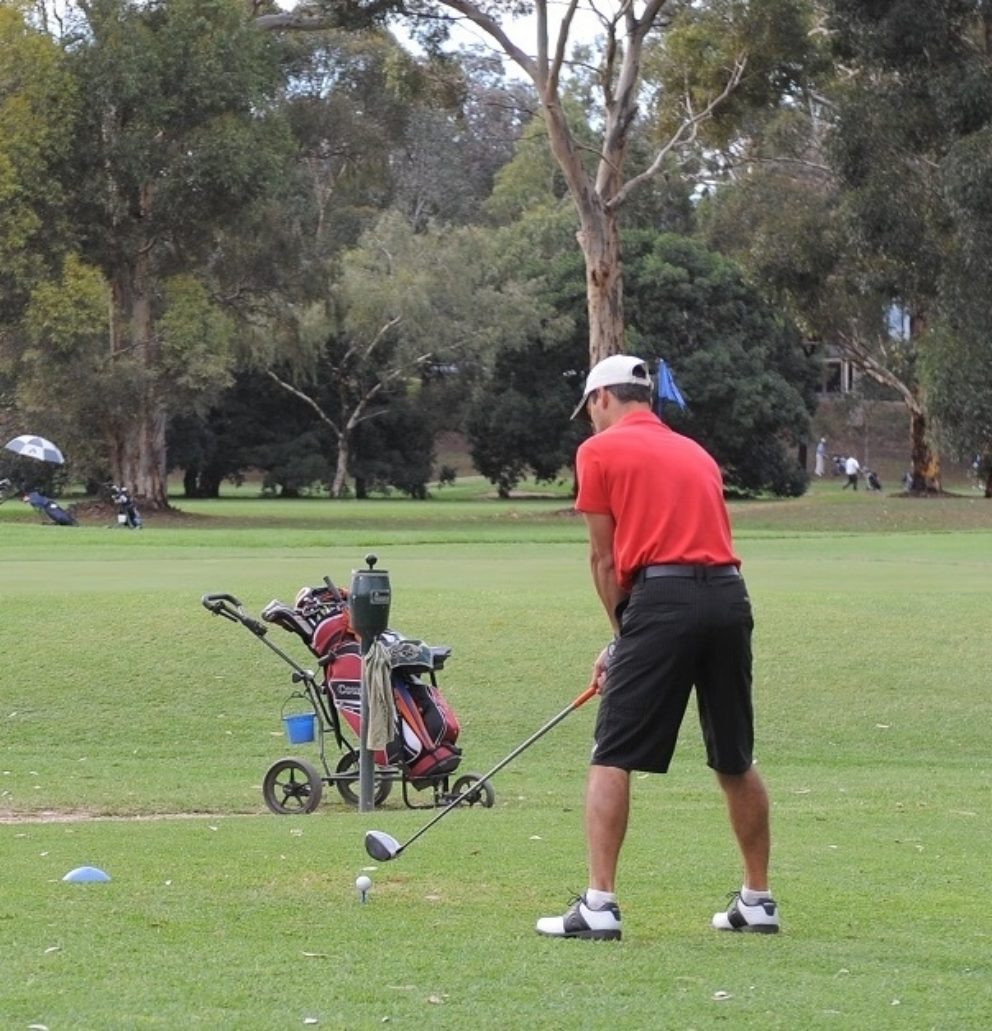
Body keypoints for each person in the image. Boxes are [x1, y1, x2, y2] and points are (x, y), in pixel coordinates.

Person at [536, 354, 778, 942]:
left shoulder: (598, 450)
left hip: (662, 600)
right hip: (729, 597)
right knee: (734, 756)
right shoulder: (696, 452)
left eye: (589, 410)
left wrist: (623, 636)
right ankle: (758, 900)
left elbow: (604, 559)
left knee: (612, 752)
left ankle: (598, 905)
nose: (590, 421)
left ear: (602, 399)